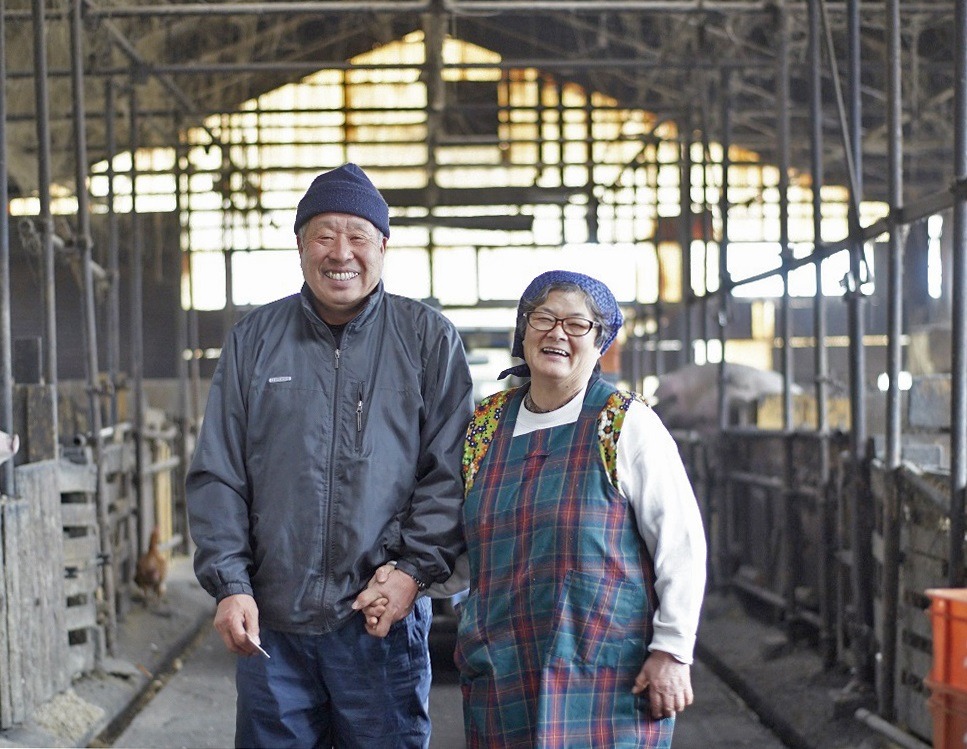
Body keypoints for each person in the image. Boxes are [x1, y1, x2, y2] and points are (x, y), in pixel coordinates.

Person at [186, 163, 474, 749]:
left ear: (383, 247)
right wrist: (230, 584)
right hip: (273, 624)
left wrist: (413, 574)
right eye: (323, 234)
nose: (340, 251)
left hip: (379, 619)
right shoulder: (254, 340)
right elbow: (219, 471)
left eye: (358, 235)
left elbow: (451, 474)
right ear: (299, 246)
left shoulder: (428, 340)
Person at [455, 270, 706, 748]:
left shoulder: (624, 423)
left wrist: (673, 650)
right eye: (543, 318)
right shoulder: (486, 425)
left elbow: (681, 544)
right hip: (502, 672)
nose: (557, 334)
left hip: (607, 676)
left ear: (601, 342)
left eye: (577, 324)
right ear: (523, 330)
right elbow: (465, 542)